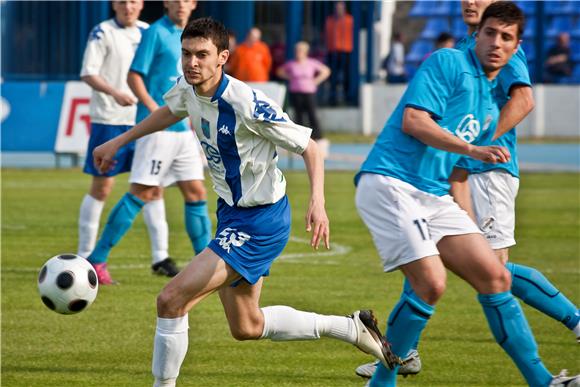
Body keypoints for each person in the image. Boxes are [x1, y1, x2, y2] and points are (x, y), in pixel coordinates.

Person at [93, 17, 400, 387]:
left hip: (260, 222)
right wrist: (119, 141)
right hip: (231, 215)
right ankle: (351, 328)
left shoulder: (247, 103)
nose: (192, 62)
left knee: (170, 299)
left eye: (202, 55)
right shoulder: (188, 88)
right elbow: (168, 111)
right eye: (187, 53)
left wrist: (317, 202)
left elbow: (311, 148)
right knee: (246, 325)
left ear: (223, 57)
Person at [353, 3, 579, 386]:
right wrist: (474, 149)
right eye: (490, 33)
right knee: (431, 282)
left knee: (494, 275)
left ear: (517, 47)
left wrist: (468, 228)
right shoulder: (447, 62)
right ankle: (384, 380)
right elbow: (414, 121)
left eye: (506, 37)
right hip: (392, 183)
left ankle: (544, 382)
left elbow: (457, 173)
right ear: (478, 34)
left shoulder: (490, 105)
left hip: (434, 194)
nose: (496, 43)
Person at [87, 0, 211, 284]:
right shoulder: (155, 32)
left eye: (186, 0)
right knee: (141, 192)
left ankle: (206, 264)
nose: (181, 5)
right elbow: (134, 76)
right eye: (175, 0)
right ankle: (97, 258)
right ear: (166, 3)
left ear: (194, 4)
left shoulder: (192, 36)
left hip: (184, 131)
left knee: (196, 192)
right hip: (158, 130)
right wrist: (155, 110)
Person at [77, 0, 148, 259]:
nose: (128, 7)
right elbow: (88, 73)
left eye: (133, 2)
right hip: (109, 119)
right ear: (113, 5)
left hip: (143, 120)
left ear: (141, 5)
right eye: (122, 2)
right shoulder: (102, 32)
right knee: (102, 187)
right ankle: (85, 254)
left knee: (151, 186)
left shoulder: (147, 31)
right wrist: (115, 93)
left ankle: (160, 256)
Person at [276, 41, 331, 158]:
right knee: (298, 115)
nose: (298, 53)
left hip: (309, 92)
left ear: (305, 52)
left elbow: (326, 71)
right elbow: (280, 71)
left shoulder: (311, 63)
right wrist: (290, 77)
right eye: (297, 51)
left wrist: (316, 81)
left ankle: (318, 138)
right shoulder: (291, 64)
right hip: (296, 92)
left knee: (312, 115)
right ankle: (299, 139)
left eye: (301, 51)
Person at [325, 1, 353, 104]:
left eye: (341, 7)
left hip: (346, 50)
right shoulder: (330, 20)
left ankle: (347, 96)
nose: (339, 9)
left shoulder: (350, 20)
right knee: (332, 76)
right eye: (337, 7)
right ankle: (332, 97)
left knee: (347, 75)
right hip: (332, 51)